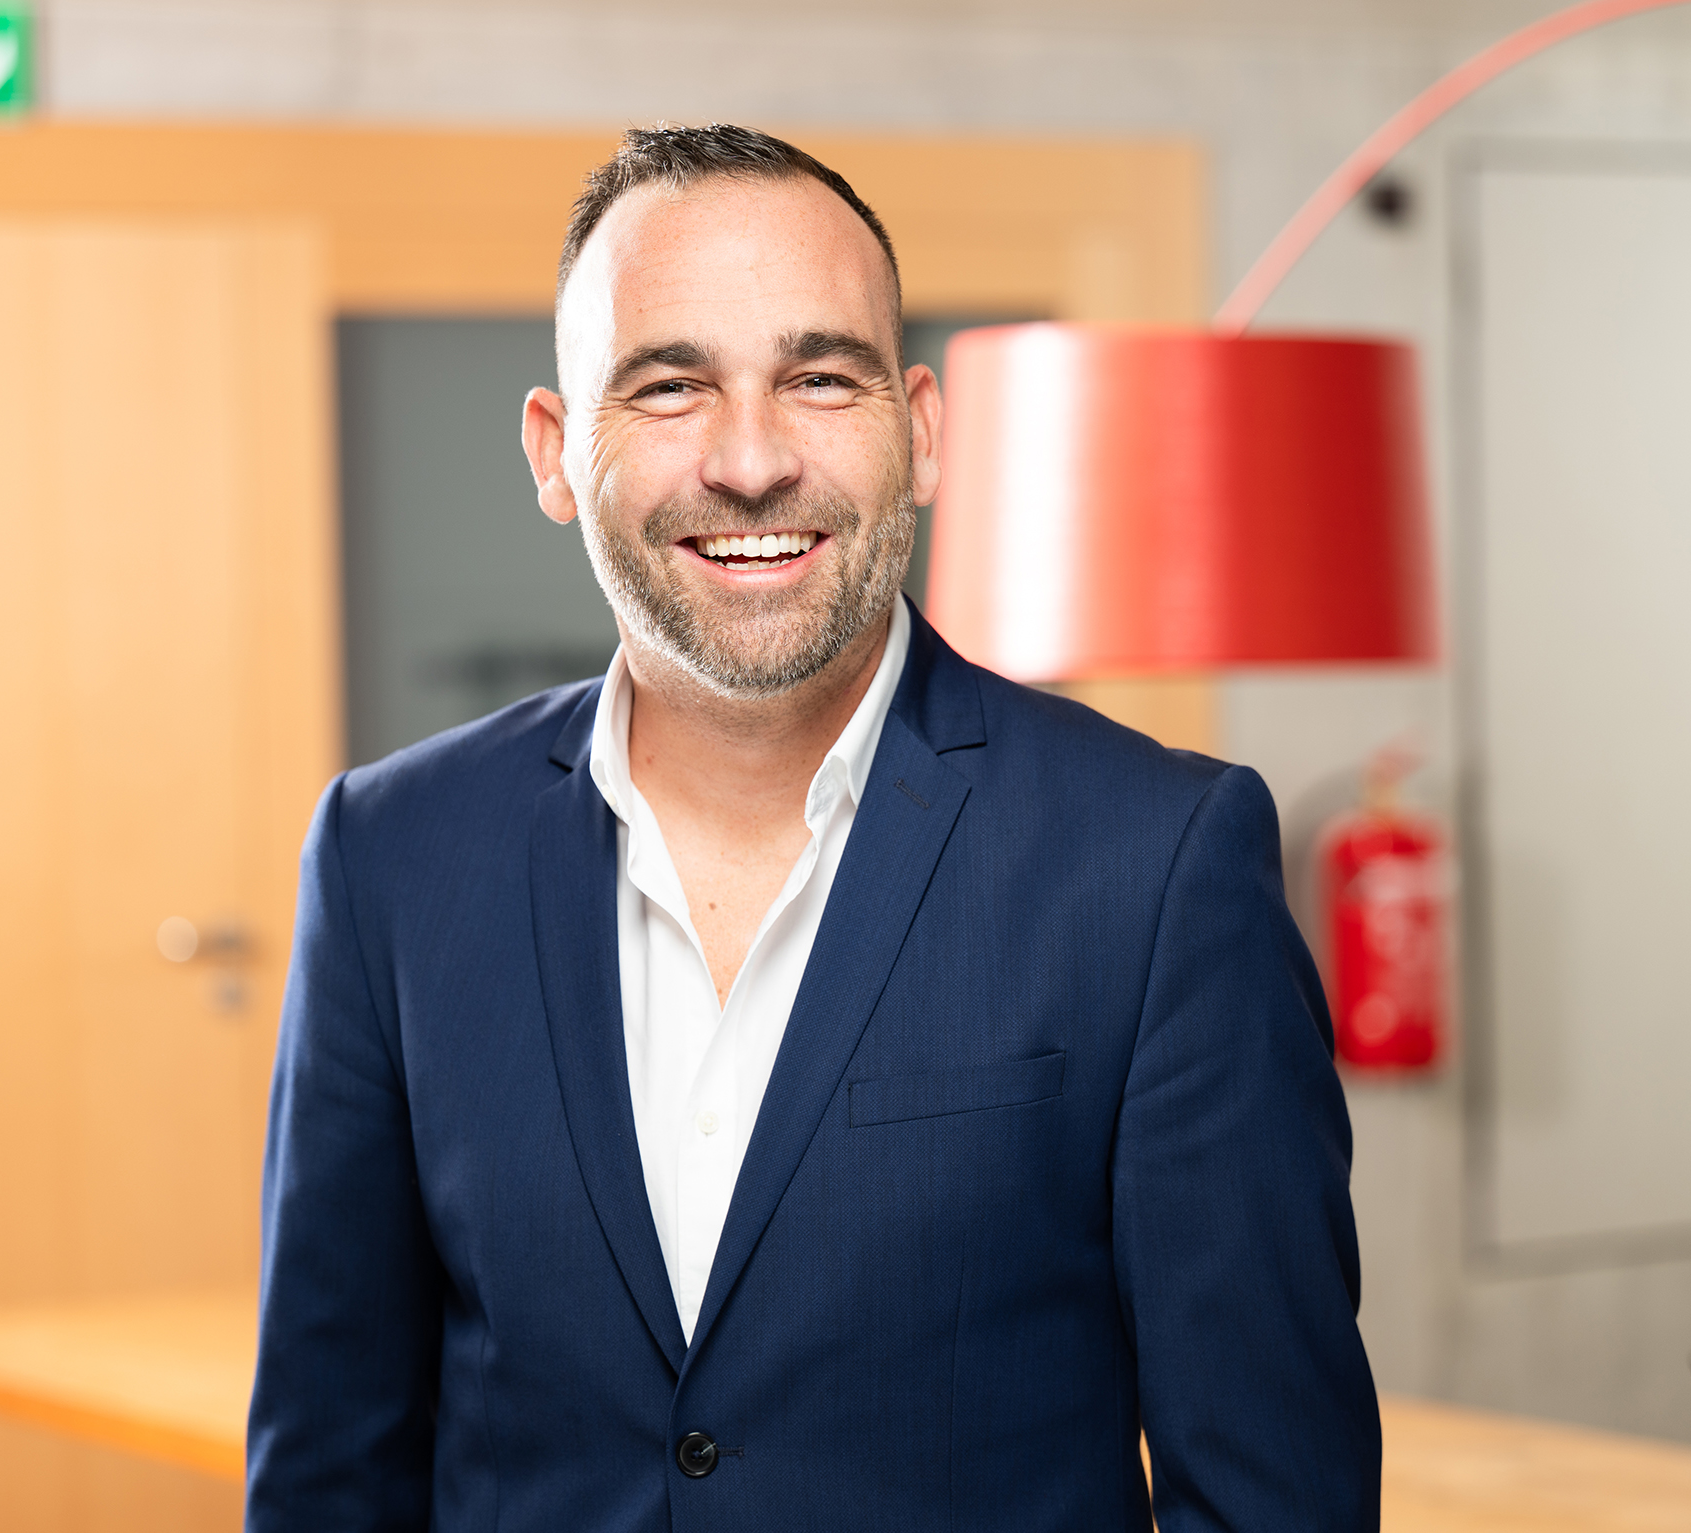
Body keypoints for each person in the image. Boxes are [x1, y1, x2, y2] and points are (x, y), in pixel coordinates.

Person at [247, 124, 1380, 1532]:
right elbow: (329, 1472)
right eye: (670, 386)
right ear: (556, 452)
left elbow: (1275, 1500)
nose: (750, 460)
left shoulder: (1156, 864)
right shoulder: (393, 857)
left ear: (923, 432)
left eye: (820, 377)